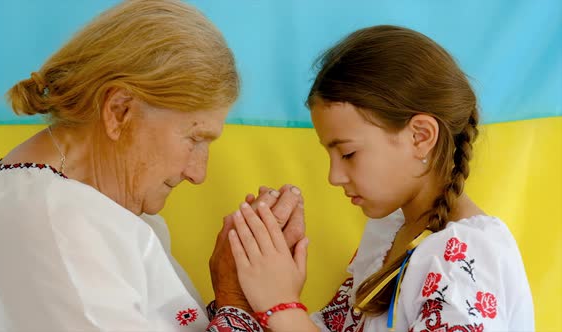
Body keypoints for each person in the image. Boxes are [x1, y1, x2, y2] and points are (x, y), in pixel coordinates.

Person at [0, 1, 305, 331]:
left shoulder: (63, 204)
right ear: (119, 111)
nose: (197, 173)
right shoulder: (58, 225)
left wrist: (233, 295)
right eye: (194, 139)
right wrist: (236, 304)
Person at [226, 25, 534, 331]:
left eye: (347, 154)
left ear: (420, 136)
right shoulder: (388, 234)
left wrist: (281, 306)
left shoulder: (466, 259)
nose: (333, 176)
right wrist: (268, 267)